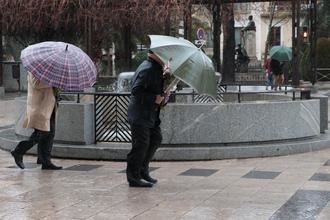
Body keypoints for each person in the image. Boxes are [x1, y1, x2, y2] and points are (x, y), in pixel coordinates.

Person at [126, 50, 169, 187]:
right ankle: (133, 177)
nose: (166, 57)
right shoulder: (148, 68)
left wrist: (164, 96)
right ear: (155, 54)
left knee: (156, 139)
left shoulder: (156, 68)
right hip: (140, 114)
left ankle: (143, 170)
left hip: (150, 115)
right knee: (140, 145)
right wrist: (154, 98)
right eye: (163, 54)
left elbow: (154, 91)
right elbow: (136, 90)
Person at [11, 72, 62, 170]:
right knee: (40, 134)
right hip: (40, 108)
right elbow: (36, 83)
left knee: (49, 134)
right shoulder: (35, 70)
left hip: (49, 107)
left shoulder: (47, 70)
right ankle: (18, 151)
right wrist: (53, 81)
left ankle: (45, 161)